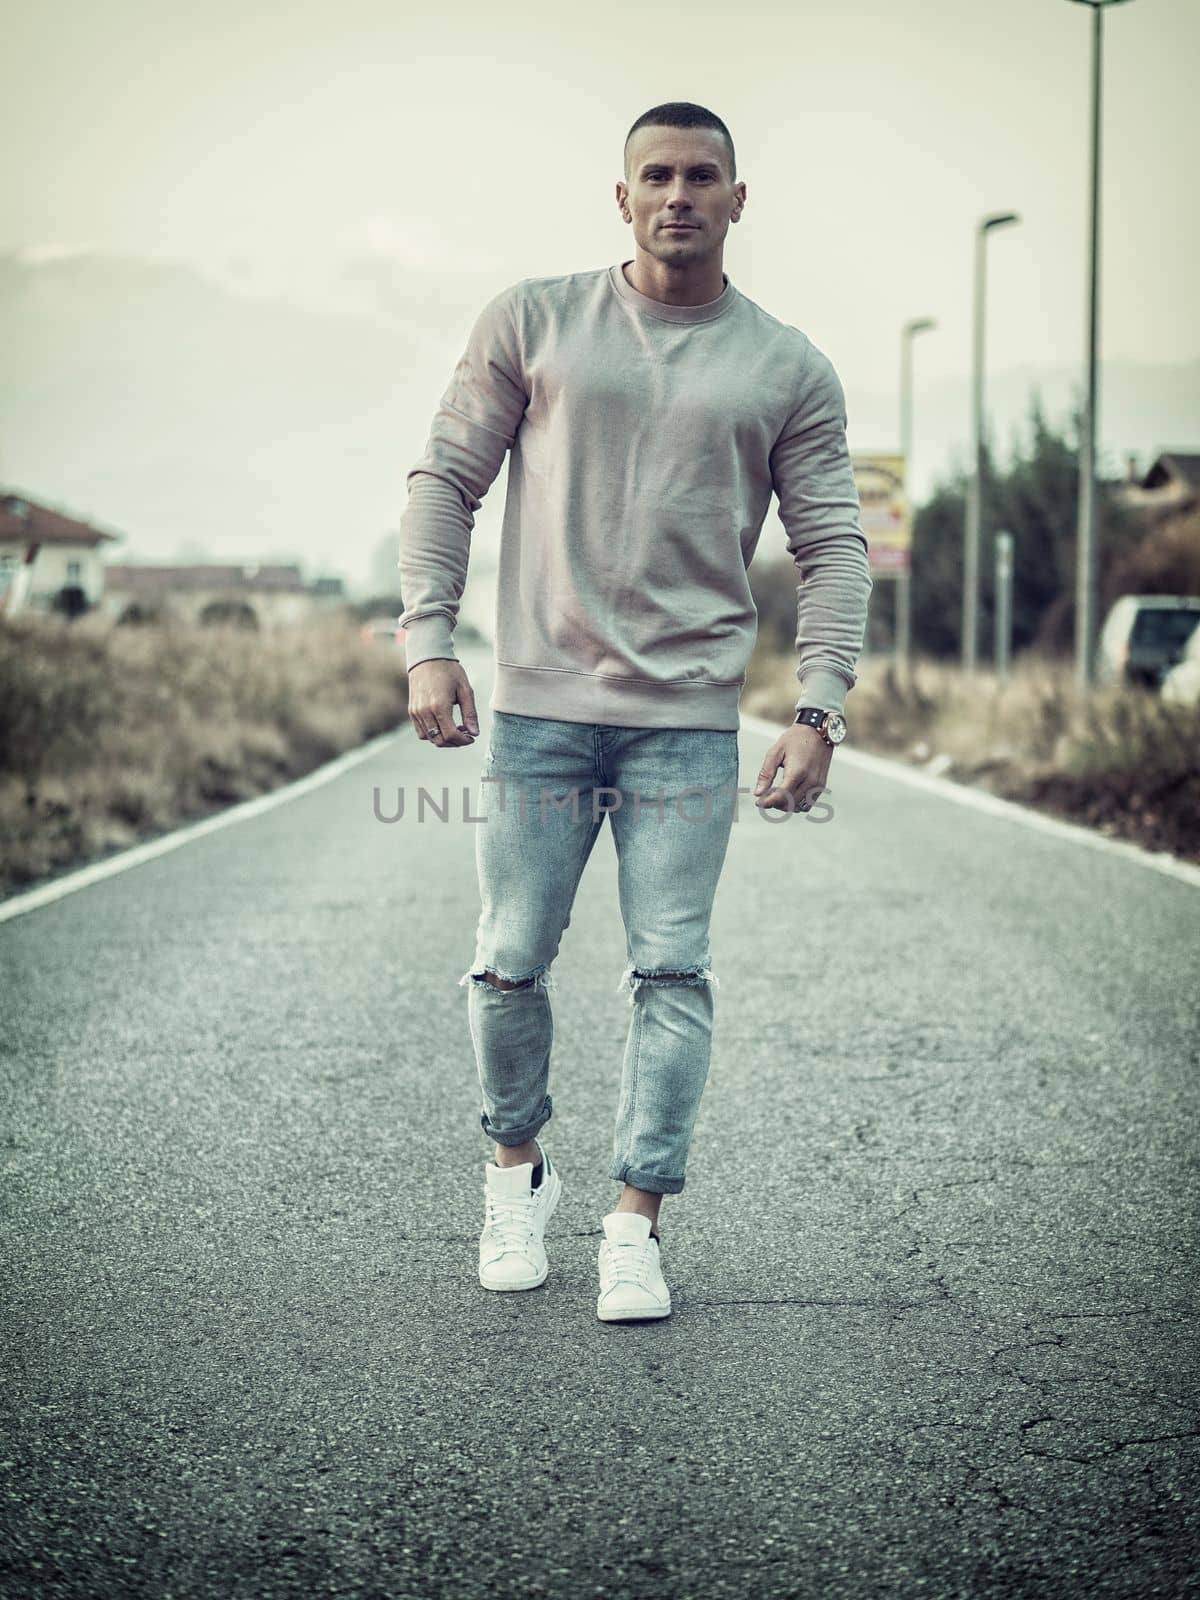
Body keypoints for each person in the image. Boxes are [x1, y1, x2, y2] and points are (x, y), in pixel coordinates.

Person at [397, 101, 872, 1322]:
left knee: (671, 968)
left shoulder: (785, 365)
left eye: (701, 176)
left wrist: (819, 709)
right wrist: (427, 644)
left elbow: (834, 546)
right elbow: (446, 478)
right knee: (509, 962)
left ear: (737, 197)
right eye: (655, 175)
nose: (678, 194)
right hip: (542, 705)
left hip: (686, 720)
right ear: (621, 198)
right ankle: (516, 1172)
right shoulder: (535, 320)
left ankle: (634, 1220)